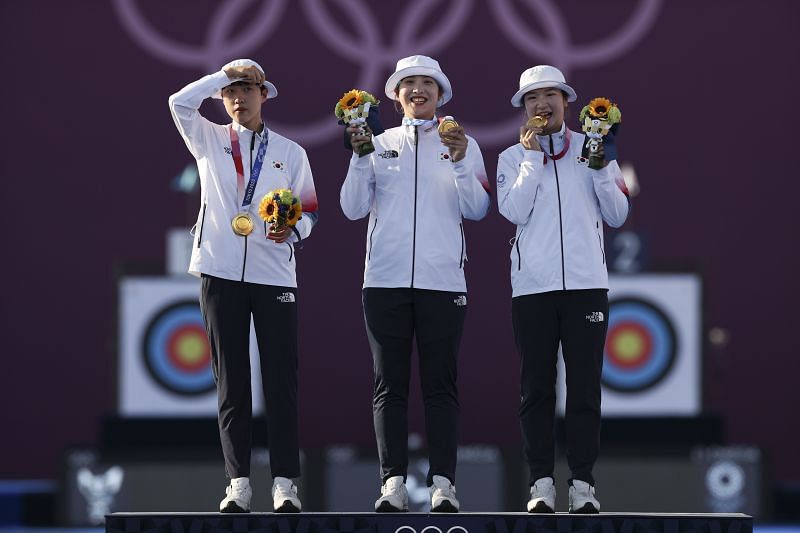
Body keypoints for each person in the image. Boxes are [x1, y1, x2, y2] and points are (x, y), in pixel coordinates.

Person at [340, 55, 490, 512]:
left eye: (427, 83)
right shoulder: (377, 142)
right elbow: (350, 208)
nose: (418, 90)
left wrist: (462, 159)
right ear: (395, 95)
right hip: (383, 282)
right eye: (409, 84)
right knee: (390, 385)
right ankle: (392, 484)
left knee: (440, 385)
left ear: (441, 95)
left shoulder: (464, 143)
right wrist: (360, 156)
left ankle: (443, 482)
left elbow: (479, 208)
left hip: (443, 282)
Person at [169, 58, 318, 513]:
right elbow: (178, 102)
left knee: (280, 381)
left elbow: (309, 212)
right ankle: (238, 483)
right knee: (231, 380)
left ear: (264, 94)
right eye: (229, 92)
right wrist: (220, 75)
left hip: (274, 273)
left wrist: (290, 231)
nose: (237, 98)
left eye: (246, 90)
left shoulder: (290, 152)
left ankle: (285, 483)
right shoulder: (208, 139)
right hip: (219, 270)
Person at [496, 65, 630, 514]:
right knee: (536, 389)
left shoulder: (598, 151)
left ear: (566, 103)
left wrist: (598, 164)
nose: (541, 105)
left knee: (585, 388)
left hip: (587, 287)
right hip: (532, 289)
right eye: (532, 98)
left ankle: (583, 485)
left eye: (550, 95)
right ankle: (540, 484)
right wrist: (532, 159)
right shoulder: (512, 158)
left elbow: (617, 214)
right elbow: (513, 212)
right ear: (523, 108)